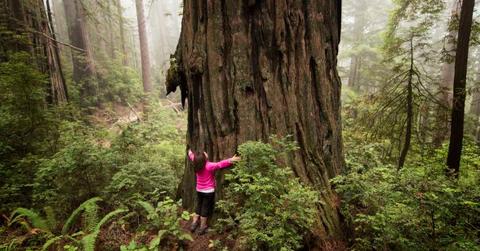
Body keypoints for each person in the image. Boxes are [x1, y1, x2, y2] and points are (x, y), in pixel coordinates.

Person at [187, 149, 240, 235]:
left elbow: (191, 155)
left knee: (199, 205)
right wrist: (231, 160)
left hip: (199, 190)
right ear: (204, 158)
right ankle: (202, 227)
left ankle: (194, 224)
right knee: (205, 208)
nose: (205, 152)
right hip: (208, 191)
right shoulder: (209, 165)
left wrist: (189, 151)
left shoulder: (196, 162)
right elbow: (220, 164)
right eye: (204, 154)